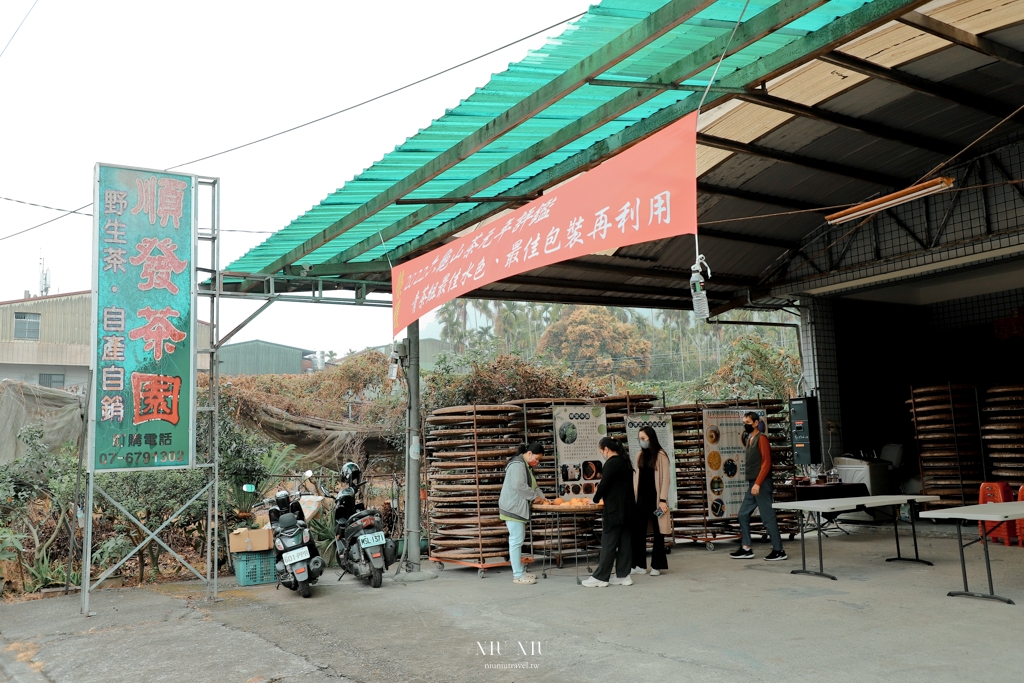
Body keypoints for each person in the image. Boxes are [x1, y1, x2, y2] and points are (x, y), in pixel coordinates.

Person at [730, 412, 787, 561]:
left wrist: (758, 483)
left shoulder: (762, 439)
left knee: (768, 517)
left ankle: (779, 550)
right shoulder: (750, 439)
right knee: (743, 514)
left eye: (748, 422)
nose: (745, 424)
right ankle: (746, 548)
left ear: (756, 423)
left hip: (761, 483)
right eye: (744, 422)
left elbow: (766, 463)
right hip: (753, 483)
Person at [583, 437, 636, 587]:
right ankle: (623, 575)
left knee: (609, 542)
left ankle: (601, 577)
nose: (602, 453)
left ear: (606, 449)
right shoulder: (625, 461)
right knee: (625, 542)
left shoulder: (611, 463)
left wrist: (594, 500)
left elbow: (604, 485)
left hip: (614, 510)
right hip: (628, 509)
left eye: (601, 451)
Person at [499, 442, 546, 585]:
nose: (537, 462)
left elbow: (534, 486)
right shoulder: (518, 465)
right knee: (515, 541)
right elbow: (519, 485)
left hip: (517, 507)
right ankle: (518, 575)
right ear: (529, 453)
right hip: (513, 508)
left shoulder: (526, 466)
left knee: (517, 541)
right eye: (536, 458)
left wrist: (543, 499)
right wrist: (534, 498)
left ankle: (520, 571)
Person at [631, 426, 671, 576]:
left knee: (658, 532)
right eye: (640, 439)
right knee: (638, 532)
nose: (641, 441)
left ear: (651, 438)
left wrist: (663, 500)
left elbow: (666, 479)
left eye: (643, 439)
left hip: (657, 500)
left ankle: (656, 565)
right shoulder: (639, 455)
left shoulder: (661, 455)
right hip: (641, 499)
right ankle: (639, 565)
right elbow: (636, 478)